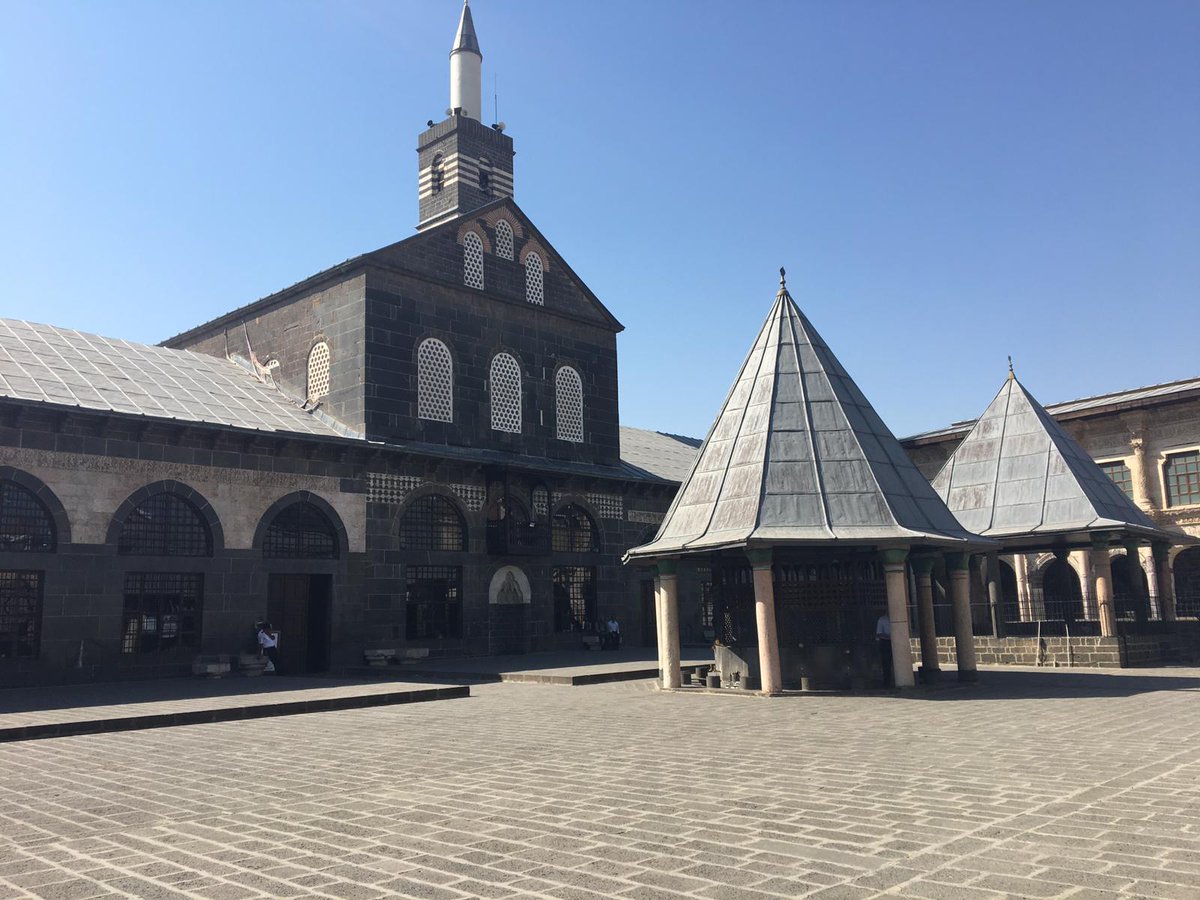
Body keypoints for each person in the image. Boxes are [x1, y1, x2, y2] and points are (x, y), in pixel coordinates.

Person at [876, 612, 893, 687]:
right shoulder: (882, 620)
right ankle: (887, 682)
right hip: (886, 643)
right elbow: (879, 633)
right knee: (886, 663)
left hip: (896, 642)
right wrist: (889, 637)